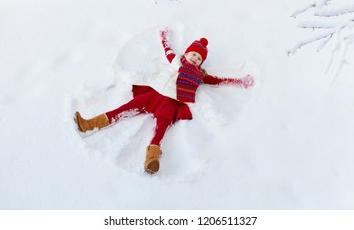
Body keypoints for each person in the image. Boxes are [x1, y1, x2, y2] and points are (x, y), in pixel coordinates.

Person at [74, 29, 254, 174]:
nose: (195, 59)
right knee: (122, 110)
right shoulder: (175, 61)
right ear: (187, 53)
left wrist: (238, 81)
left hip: (170, 103)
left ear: (200, 63)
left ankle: (151, 160)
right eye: (193, 54)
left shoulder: (199, 75)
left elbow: (217, 80)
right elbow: (167, 50)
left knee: (160, 131)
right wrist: (164, 36)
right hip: (152, 95)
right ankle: (89, 124)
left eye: (199, 58)